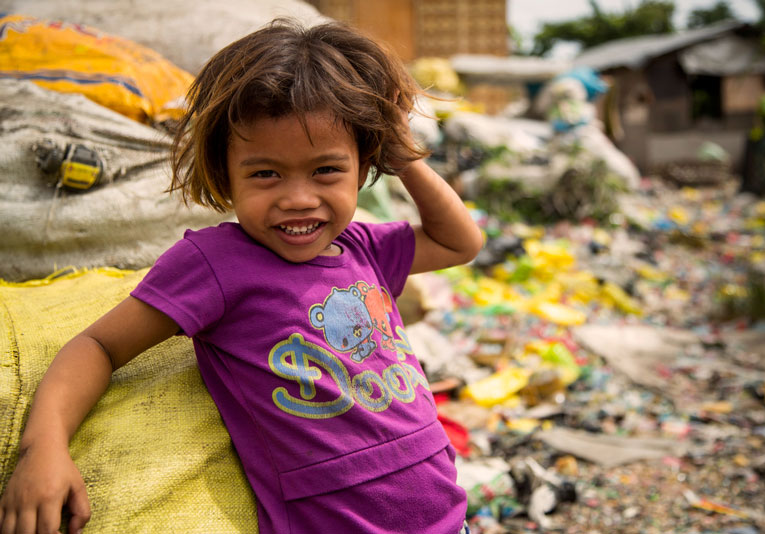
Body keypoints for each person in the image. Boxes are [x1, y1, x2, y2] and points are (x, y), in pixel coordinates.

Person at [0, 17, 483, 534]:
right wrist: (44, 448)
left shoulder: (362, 246)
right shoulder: (215, 264)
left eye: (326, 170)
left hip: (447, 516)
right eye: (265, 173)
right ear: (224, 174)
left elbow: (461, 242)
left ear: (364, 169)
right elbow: (98, 345)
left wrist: (403, 156)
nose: (298, 198)